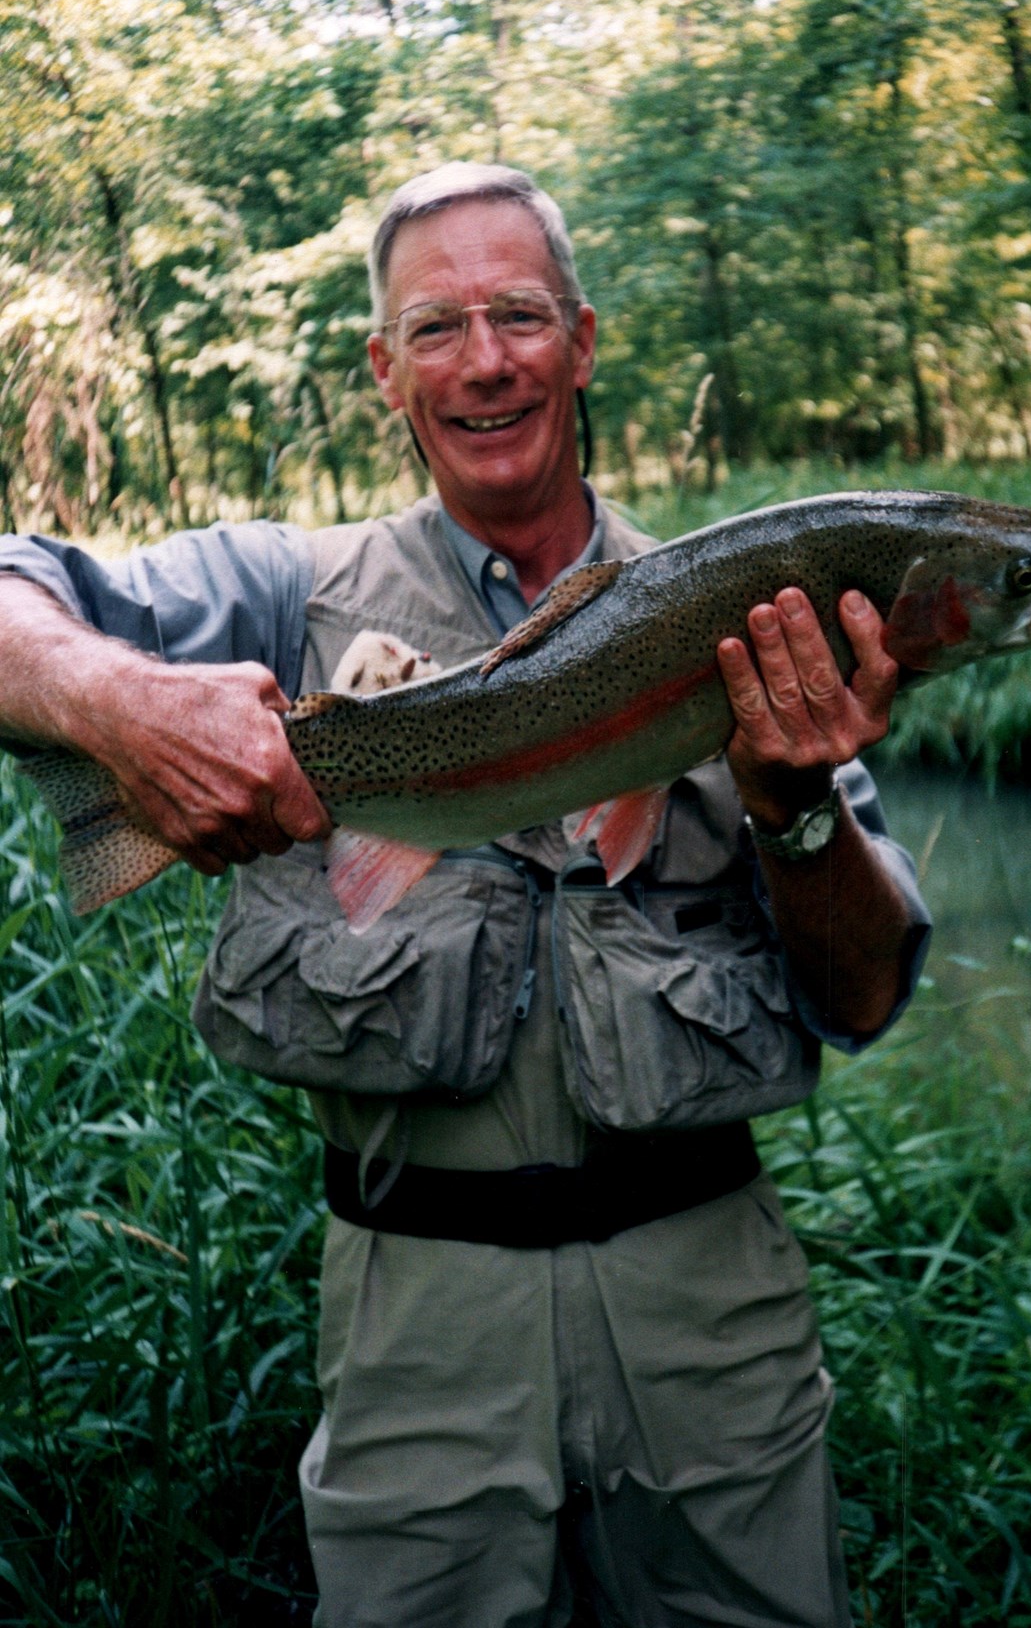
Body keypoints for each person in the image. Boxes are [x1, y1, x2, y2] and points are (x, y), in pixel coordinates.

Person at [0, 162, 930, 1627]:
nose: (485, 361)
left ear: (585, 340)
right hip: (414, 1334)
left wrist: (794, 803)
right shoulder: (281, 591)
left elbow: (866, 997)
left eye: (518, 317)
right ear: (384, 371)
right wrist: (126, 711)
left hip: (714, 1329)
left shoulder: (759, 613)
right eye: (436, 328)